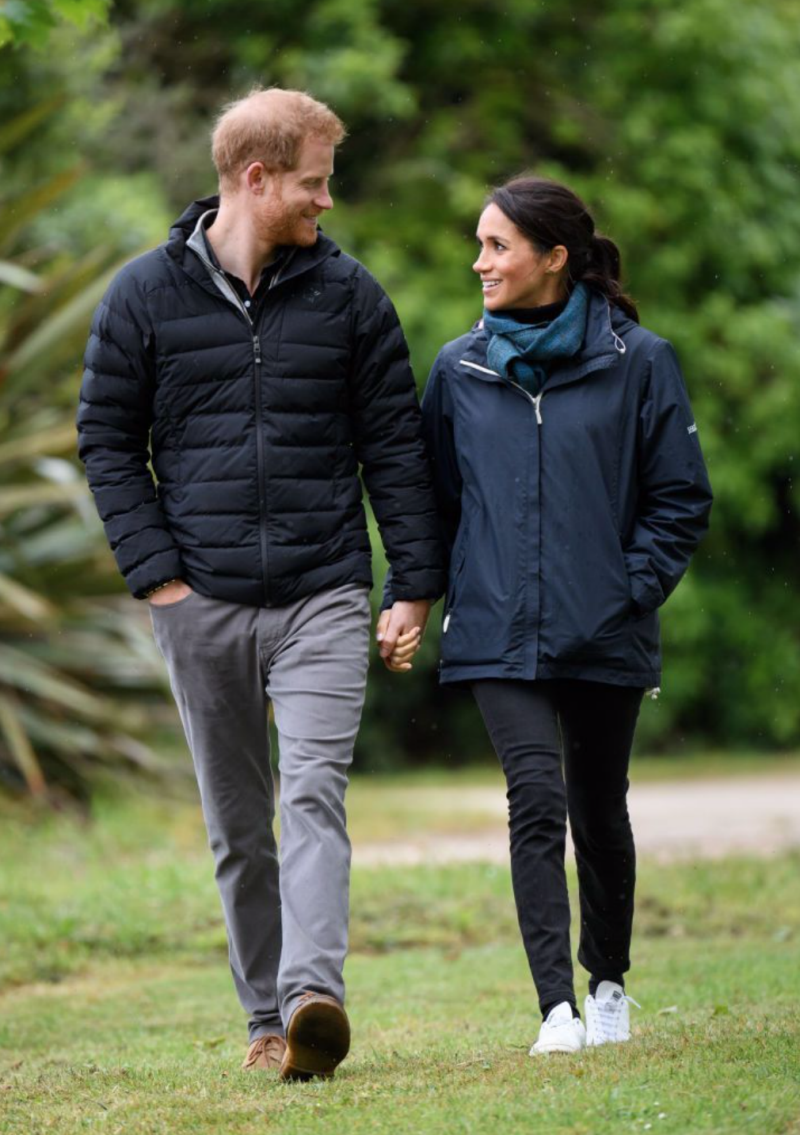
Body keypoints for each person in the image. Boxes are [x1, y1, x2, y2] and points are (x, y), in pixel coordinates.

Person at [77, 87, 444, 1080]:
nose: (326, 203)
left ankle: (311, 995)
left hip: (322, 592)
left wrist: (410, 583)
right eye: (314, 184)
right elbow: (106, 442)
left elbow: (394, 450)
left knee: (312, 795)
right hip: (198, 601)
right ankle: (264, 1020)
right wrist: (158, 580)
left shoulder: (351, 297)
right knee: (239, 828)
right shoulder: (142, 298)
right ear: (257, 177)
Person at [383, 176, 713, 1055]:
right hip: (495, 631)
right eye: (480, 244)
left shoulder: (640, 361)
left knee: (599, 808)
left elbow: (680, 500)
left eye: (497, 245)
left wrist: (626, 590)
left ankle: (608, 983)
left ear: (554, 257)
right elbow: (433, 507)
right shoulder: (459, 370)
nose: (478, 261)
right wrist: (409, 596)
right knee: (535, 800)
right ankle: (554, 1010)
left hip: (605, 628)